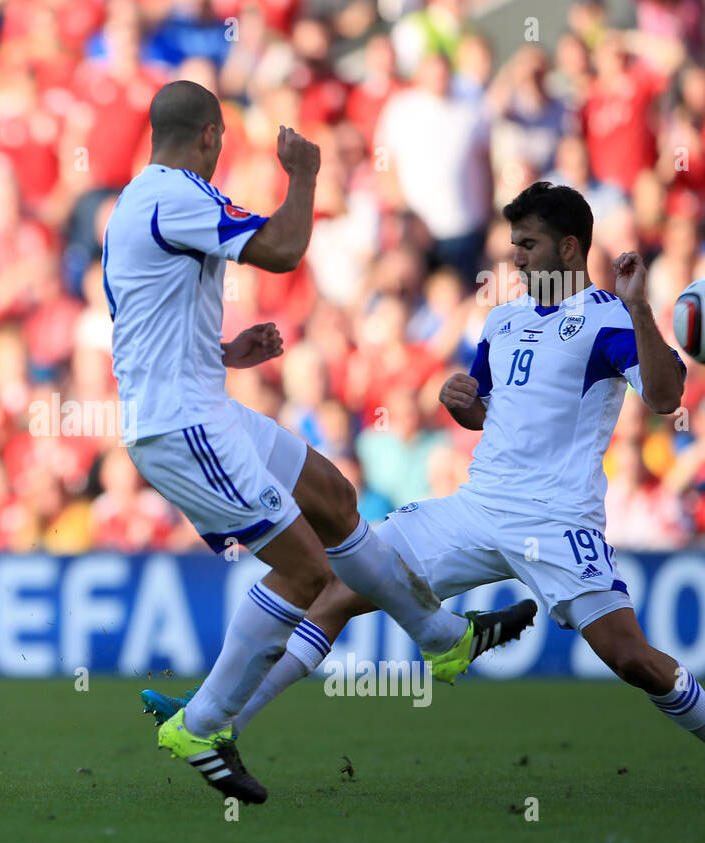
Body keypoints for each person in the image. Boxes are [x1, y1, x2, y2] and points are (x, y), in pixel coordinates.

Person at [156, 182, 705, 777]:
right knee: (332, 589)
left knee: (629, 657)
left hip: (556, 519)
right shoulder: (503, 321)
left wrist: (640, 306)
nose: (517, 257)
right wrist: (462, 403)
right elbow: (491, 409)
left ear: (568, 248)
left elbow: (665, 396)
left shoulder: (608, 318)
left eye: (528, 245)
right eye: (513, 244)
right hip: (476, 506)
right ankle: (217, 722)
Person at [104, 81, 534, 804]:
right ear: (210, 136)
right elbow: (282, 249)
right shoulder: (176, 194)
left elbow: (151, 326)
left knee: (334, 497)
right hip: (181, 424)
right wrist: (303, 172)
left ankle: (442, 640)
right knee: (304, 572)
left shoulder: (139, 201)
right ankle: (202, 724)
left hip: (200, 402)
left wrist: (228, 352)